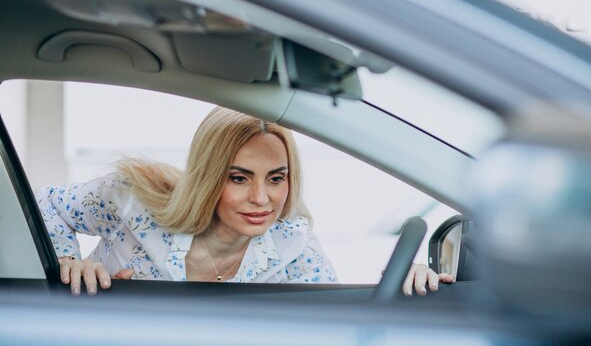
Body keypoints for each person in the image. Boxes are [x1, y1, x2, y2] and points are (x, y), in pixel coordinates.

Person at [37, 106, 452, 296]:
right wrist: (66, 261)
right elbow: (44, 205)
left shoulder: (292, 248)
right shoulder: (130, 199)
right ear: (208, 176)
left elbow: (334, 320)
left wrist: (404, 282)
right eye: (239, 178)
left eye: (277, 178)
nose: (261, 198)